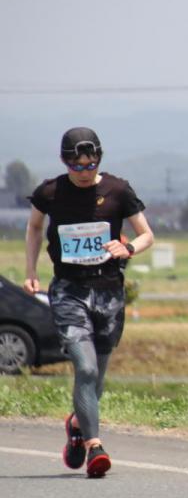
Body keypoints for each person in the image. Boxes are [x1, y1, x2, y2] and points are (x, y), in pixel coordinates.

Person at [24, 127, 154, 478]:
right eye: (76, 165)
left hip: (109, 290)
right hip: (68, 290)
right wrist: (31, 269)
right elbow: (35, 228)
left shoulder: (117, 190)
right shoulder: (49, 192)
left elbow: (147, 235)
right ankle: (95, 444)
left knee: (98, 375)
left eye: (90, 164)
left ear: (98, 158)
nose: (83, 172)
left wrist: (126, 248)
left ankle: (78, 424)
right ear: (64, 161)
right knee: (85, 367)